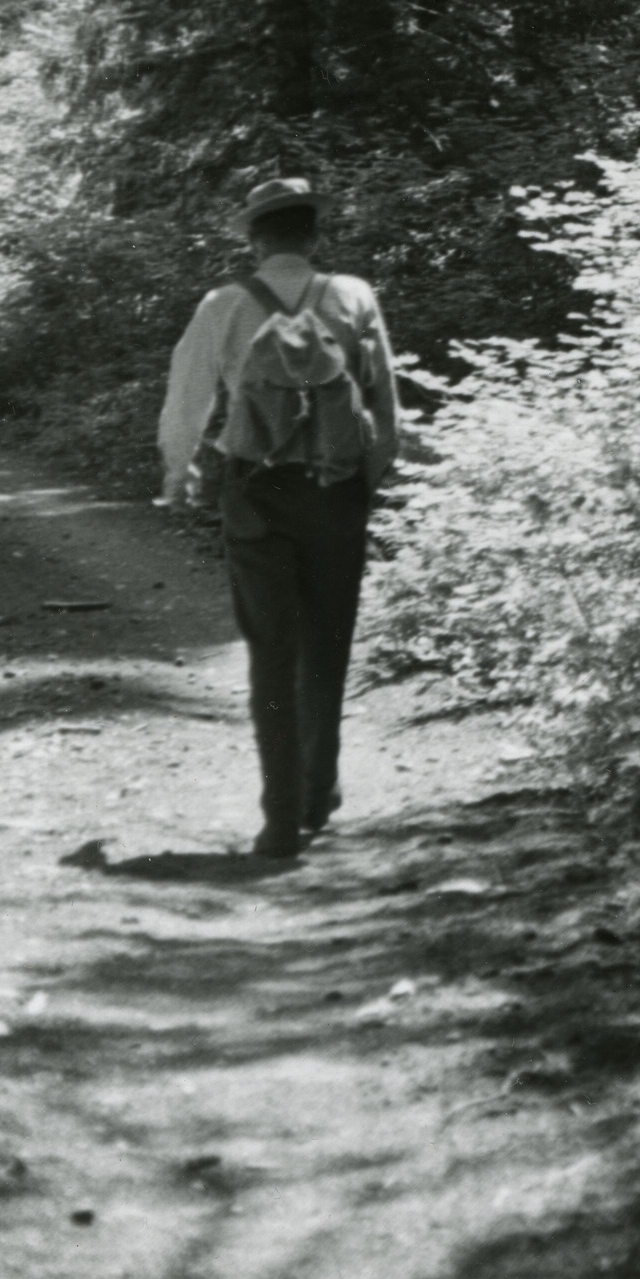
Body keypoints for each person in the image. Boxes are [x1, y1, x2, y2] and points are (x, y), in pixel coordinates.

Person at [157, 177, 400, 860]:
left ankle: (280, 818)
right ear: (313, 235)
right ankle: (320, 792)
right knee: (327, 641)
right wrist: (367, 476)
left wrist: (178, 473)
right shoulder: (352, 295)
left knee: (271, 650)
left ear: (255, 238)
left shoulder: (224, 304)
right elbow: (385, 403)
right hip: (335, 491)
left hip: (256, 492)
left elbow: (188, 398)